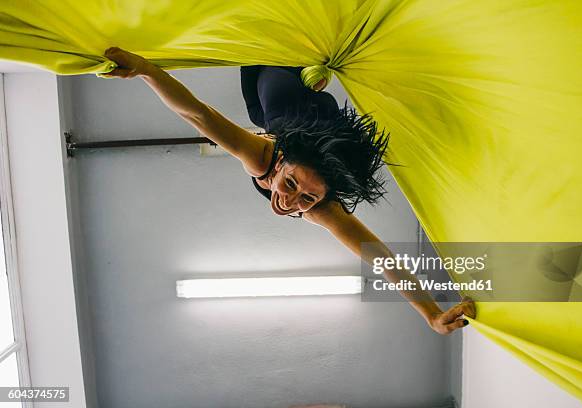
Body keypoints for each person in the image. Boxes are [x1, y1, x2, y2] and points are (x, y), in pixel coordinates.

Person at [102, 47, 476, 334]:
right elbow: (199, 115)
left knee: (267, 104)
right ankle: (309, 68)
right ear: (281, 163)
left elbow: (379, 258)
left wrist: (431, 315)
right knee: (284, 96)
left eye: (307, 199)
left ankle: (308, 72)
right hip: (295, 84)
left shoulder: (314, 203)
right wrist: (148, 70)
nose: (290, 200)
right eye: (294, 184)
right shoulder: (262, 154)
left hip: (272, 92)